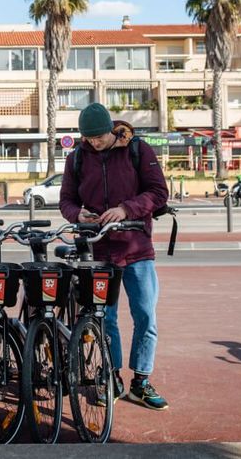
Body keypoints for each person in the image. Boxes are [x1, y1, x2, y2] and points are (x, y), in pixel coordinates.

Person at [59, 102, 170, 410]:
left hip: (137, 249)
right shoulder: (77, 158)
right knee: (106, 319)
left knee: (145, 316)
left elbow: (159, 192)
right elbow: (66, 200)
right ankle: (113, 376)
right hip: (99, 251)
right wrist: (77, 215)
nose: (94, 143)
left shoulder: (138, 150)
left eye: (98, 137)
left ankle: (141, 382)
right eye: (88, 138)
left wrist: (125, 209)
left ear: (111, 130)